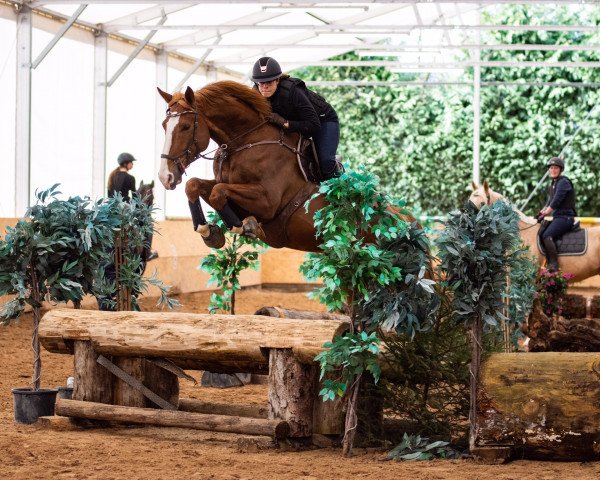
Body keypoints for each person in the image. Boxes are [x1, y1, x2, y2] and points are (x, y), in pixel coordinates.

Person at [251, 56, 342, 180]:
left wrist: (285, 123)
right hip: (297, 123)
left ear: (277, 80)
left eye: (269, 82)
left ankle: (342, 190)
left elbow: (314, 125)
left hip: (323, 120)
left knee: (325, 162)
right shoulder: (255, 94)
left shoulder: (293, 91)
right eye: (261, 83)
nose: (264, 87)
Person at [537, 157, 577, 271]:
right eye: (551, 168)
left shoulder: (563, 182)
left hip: (566, 218)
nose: (553, 170)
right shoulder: (554, 183)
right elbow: (549, 202)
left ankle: (554, 264)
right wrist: (540, 213)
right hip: (558, 217)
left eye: (555, 168)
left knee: (547, 235)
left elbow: (556, 201)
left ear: (560, 170)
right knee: (541, 232)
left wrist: (547, 212)